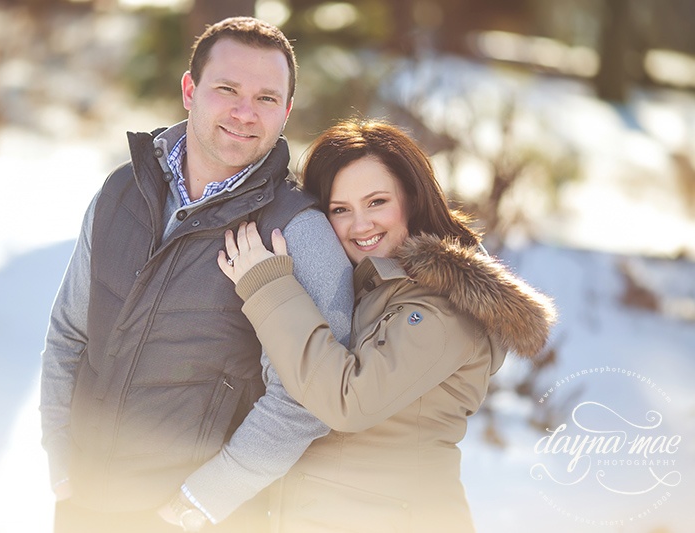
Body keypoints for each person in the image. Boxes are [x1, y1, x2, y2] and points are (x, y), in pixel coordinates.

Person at [39, 17, 354, 533]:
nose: (245, 113)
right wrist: (60, 459)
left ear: (287, 111)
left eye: (267, 98)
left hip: (195, 519)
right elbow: (69, 333)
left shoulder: (300, 232)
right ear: (190, 90)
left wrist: (196, 506)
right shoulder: (120, 192)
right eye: (227, 89)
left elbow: (308, 398)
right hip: (82, 504)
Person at [218, 118, 558, 532]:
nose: (360, 225)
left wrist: (268, 288)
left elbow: (348, 400)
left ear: (412, 199)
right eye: (340, 210)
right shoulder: (372, 289)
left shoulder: (443, 309)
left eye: (376, 202)